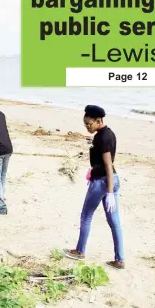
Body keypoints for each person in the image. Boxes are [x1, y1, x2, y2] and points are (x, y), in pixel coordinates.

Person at [63, 105, 124, 270]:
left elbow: (108, 165)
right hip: (113, 179)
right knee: (114, 221)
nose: (87, 127)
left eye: (89, 124)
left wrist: (109, 192)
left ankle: (79, 250)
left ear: (98, 121)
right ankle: (119, 260)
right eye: (85, 125)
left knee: (86, 216)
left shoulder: (101, 138)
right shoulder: (109, 133)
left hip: (103, 182)